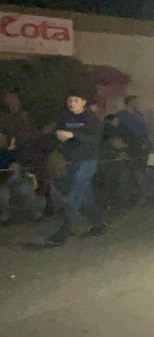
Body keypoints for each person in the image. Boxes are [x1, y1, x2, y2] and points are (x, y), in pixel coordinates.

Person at [45, 92, 106, 246]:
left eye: (75, 100)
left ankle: (64, 231)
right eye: (69, 100)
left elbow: (93, 139)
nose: (72, 103)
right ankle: (98, 225)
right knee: (85, 196)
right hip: (71, 161)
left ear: (83, 102)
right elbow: (58, 134)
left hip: (88, 161)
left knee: (76, 194)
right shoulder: (65, 118)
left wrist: (72, 135)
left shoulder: (90, 118)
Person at [0, 132, 44, 225]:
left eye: (3, 139)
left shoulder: (10, 153)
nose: (2, 141)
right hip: (1, 184)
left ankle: (35, 213)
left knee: (26, 189)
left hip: (12, 180)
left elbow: (18, 165)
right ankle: (5, 216)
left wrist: (16, 168)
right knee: (3, 194)